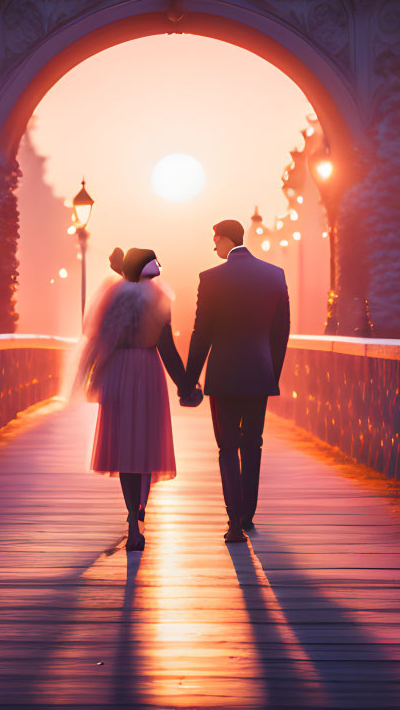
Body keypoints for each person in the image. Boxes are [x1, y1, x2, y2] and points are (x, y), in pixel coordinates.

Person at [75, 246, 196, 551]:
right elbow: (167, 347)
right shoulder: (157, 298)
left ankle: (130, 514)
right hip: (148, 371)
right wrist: (184, 384)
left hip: (119, 372)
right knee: (146, 446)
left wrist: (93, 375)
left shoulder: (113, 296)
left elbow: (99, 339)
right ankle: (141, 513)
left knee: (125, 447)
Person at [183, 219, 290, 543]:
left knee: (227, 447)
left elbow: (201, 333)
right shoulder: (274, 275)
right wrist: (272, 372)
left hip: (225, 375)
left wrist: (189, 381)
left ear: (225, 239)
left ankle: (233, 520)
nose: (213, 246)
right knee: (252, 443)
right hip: (259, 373)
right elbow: (281, 332)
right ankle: (248, 514)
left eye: (214, 240)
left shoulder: (210, 279)